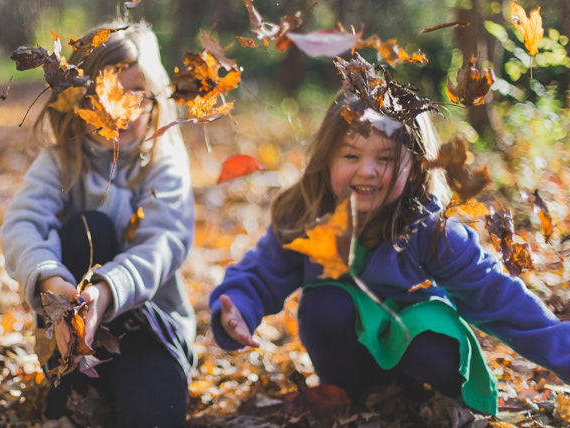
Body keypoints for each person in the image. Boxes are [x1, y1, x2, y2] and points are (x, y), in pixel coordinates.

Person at [208, 56, 570, 416]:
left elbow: (498, 297)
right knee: (326, 303)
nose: (367, 170)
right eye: (351, 155)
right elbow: (262, 272)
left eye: (385, 159)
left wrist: (563, 352)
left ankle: (427, 400)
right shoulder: (308, 215)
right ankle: (347, 396)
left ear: (414, 167)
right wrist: (239, 305)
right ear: (327, 158)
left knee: (432, 338)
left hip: (418, 350)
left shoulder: (431, 230)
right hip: (348, 356)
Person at [0, 20, 195, 427]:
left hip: (148, 328)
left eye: (134, 93)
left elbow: (165, 242)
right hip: (69, 332)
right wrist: (51, 282)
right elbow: (23, 223)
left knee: (156, 417)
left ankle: (136, 383)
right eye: (103, 92)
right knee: (89, 227)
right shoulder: (60, 161)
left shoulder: (163, 162)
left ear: (154, 96)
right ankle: (71, 379)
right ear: (76, 98)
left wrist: (108, 291)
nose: (118, 108)